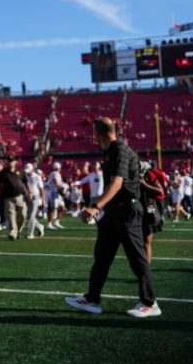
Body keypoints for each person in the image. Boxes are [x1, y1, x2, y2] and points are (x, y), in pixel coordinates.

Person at [65, 117, 161, 318]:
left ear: (98, 133)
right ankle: (92, 299)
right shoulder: (111, 151)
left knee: (137, 257)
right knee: (102, 256)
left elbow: (117, 183)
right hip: (113, 211)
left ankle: (150, 302)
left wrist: (95, 206)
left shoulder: (120, 150)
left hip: (127, 210)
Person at [0, 156, 28, 240]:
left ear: (15, 162)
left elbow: (26, 182)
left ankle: (18, 231)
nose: (10, 163)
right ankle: (13, 233)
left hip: (20, 196)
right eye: (9, 161)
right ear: (6, 162)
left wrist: (29, 193)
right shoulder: (3, 173)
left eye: (12, 161)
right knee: (11, 216)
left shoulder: (20, 171)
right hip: (8, 197)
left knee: (23, 215)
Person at [139, 161, 164, 263]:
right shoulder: (133, 175)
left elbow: (160, 191)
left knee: (147, 240)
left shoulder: (150, 175)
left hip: (150, 205)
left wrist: (144, 185)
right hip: (137, 207)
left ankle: (146, 268)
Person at [23, 163, 45, 238]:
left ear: (32, 169)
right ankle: (40, 226)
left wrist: (43, 200)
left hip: (35, 197)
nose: (27, 172)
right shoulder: (25, 176)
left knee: (32, 215)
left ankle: (30, 233)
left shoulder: (37, 177)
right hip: (27, 197)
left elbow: (41, 189)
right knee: (28, 216)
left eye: (28, 170)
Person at [46, 162, 65, 230]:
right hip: (53, 192)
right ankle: (49, 224)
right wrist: (63, 188)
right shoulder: (55, 173)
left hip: (57, 193)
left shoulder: (55, 173)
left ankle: (56, 222)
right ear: (59, 168)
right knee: (52, 208)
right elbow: (56, 182)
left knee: (62, 207)